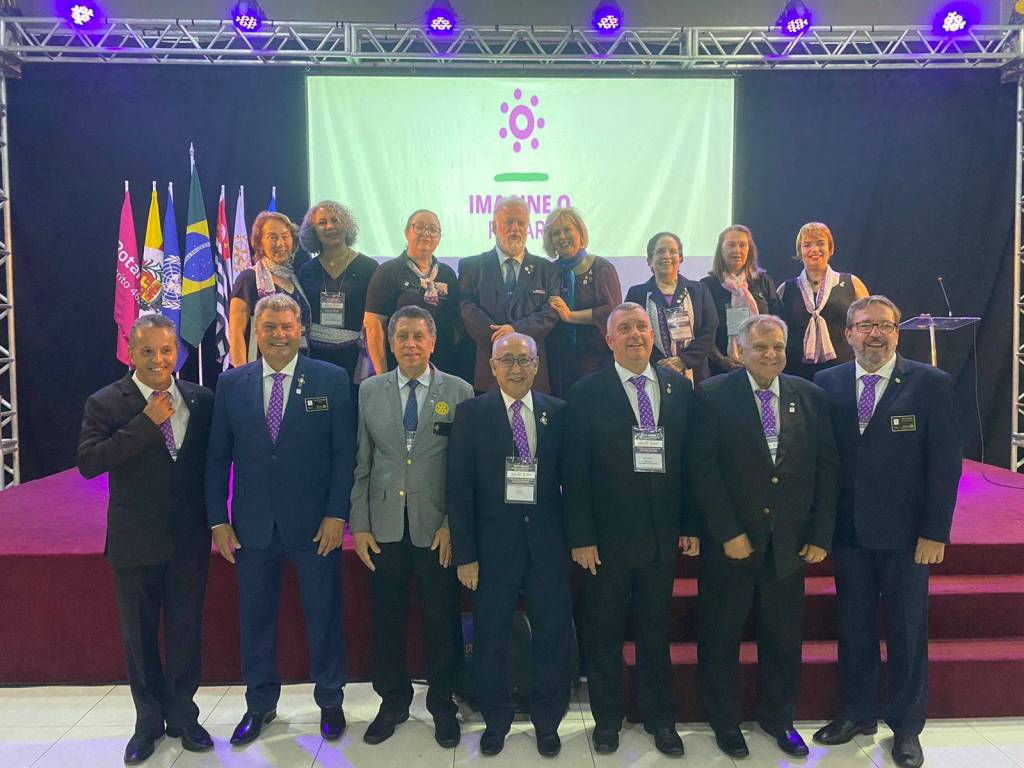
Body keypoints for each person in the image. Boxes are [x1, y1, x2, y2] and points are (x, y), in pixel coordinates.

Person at [813, 296, 962, 768]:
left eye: (884, 326)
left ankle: (906, 726)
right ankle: (857, 713)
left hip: (907, 537)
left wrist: (935, 531)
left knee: (906, 632)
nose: (874, 334)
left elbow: (945, 465)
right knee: (853, 627)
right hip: (849, 533)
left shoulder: (930, 383)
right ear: (848, 333)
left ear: (897, 332)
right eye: (864, 326)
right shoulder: (827, 383)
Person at [206, 294, 356, 746]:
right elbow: (217, 457)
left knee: (324, 616)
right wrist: (218, 520)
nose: (278, 334)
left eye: (286, 326)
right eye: (269, 326)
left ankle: (330, 700)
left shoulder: (330, 379)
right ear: (256, 331)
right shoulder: (232, 383)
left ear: (300, 330)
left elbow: (344, 455)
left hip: (315, 526)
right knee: (255, 618)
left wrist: (337, 514)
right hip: (251, 527)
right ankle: (259, 704)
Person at [689, 314, 838, 759]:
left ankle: (778, 717)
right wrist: (728, 532)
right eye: (760, 347)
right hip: (731, 545)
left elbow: (827, 468)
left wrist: (820, 533)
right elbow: (703, 471)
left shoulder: (809, 396)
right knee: (721, 635)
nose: (770, 355)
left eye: (777, 347)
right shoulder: (712, 395)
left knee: (784, 637)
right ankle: (725, 721)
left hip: (788, 544)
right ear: (740, 350)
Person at [77, 314, 215, 764]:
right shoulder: (105, 402)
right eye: (148, 351)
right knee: (139, 637)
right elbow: (89, 462)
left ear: (178, 352)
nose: (159, 359)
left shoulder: (201, 399)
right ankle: (148, 722)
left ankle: (184, 716)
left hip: (188, 540)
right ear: (131, 353)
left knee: (185, 632)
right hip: (135, 542)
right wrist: (146, 422)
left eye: (166, 350)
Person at [564, 302, 699, 757]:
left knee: (654, 633)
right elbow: (575, 472)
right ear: (609, 340)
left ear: (652, 334)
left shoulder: (679, 388)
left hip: (661, 537)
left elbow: (690, 464)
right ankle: (607, 720)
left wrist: (690, 523)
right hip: (605, 542)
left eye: (642, 326)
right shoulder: (585, 392)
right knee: (603, 633)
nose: (636, 335)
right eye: (625, 328)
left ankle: (660, 718)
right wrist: (581, 536)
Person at [349, 305, 473, 749]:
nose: (410, 344)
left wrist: (451, 524)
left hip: (436, 528)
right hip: (383, 525)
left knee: (441, 618)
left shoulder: (458, 391)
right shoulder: (369, 390)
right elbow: (362, 462)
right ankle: (393, 702)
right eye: (401, 336)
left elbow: (464, 470)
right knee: (388, 618)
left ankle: (442, 704)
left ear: (433, 342)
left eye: (419, 336)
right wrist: (360, 524)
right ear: (391, 341)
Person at [446, 332, 571, 758]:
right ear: (492, 367)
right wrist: (466, 555)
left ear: (537, 365)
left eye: (524, 360)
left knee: (552, 637)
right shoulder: (471, 413)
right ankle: (496, 721)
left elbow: (572, 483)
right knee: (491, 639)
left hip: (547, 547)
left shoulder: (558, 412)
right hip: (492, 549)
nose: (516, 368)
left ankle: (548, 722)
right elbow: (459, 489)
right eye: (507, 360)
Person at [459, 196, 559, 393]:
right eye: (508, 222)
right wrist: (501, 339)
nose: (515, 229)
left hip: (532, 372)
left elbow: (550, 313)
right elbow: (466, 308)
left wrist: (514, 330)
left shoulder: (547, 269)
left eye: (521, 223)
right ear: (494, 227)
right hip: (488, 369)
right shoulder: (471, 266)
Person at [364, 210, 462, 375]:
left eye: (433, 230)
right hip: (400, 365)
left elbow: (456, 324)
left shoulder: (447, 274)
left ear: (439, 238)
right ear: (406, 232)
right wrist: (382, 375)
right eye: (420, 227)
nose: (426, 233)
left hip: (442, 367)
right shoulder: (387, 272)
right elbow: (373, 325)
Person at [542, 206, 621, 398]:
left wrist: (570, 316)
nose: (562, 237)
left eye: (567, 230)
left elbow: (612, 312)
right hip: (559, 363)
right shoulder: (548, 272)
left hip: (597, 360)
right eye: (555, 233)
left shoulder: (602, 268)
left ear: (580, 232)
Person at [298, 200, 379, 381]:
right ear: (313, 231)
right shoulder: (307, 270)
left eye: (335, 220)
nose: (330, 226)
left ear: (347, 225)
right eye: (322, 222)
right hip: (316, 356)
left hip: (356, 356)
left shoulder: (369, 267)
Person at [778, 221, 869, 380]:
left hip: (843, 374)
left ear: (830, 249)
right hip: (797, 375)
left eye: (820, 243)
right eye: (807, 245)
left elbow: (868, 325)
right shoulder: (786, 289)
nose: (814, 249)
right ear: (800, 251)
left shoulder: (852, 284)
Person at [624, 231, 718, 385]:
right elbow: (632, 333)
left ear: (681, 258)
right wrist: (661, 364)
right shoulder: (637, 294)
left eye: (673, 251)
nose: (666, 256)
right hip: (654, 373)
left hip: (696, 374)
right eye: (660, 251)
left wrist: (683, 360)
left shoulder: (699, 290)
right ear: (649, 260)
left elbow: (710, 330)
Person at [229, 211, 311, 366]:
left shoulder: (295, 279)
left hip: (296, 366)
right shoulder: (248, 279)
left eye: (285, 236)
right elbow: (236, 334)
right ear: (259, 243)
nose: (280, 243)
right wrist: (242, 374)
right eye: (272, 237)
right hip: (260, 369)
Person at [700, 225, 781, 376]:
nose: (737, 250)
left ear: (750, 249)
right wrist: (721, 360)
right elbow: (703, 331)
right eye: (731, 245)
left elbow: (777, 323)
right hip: (719, 369)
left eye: (742, 245)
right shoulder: (707, 286)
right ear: (721, 250)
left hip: (762, 365)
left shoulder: (763, 282)